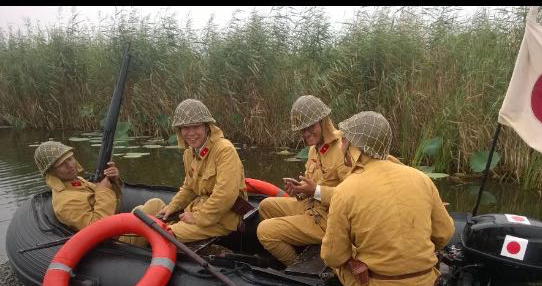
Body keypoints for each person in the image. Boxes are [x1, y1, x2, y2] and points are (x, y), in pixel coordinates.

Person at [320, 111, 456, 286]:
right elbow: (445, 233)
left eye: (344, 140)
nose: (342, 145)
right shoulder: (421, 178)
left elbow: (334, 257)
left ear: (354, 147)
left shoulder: (345, 190)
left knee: (333, 256)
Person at [257, 95, 353, 266]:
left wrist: (315, 191)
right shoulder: (313, 150)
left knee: (265, 231)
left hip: (330, 220)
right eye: (302, 130)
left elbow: (353, 198)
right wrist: (299, 190)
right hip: (311, 207)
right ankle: (300, 247)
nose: (306, 134)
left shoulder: (342, 148)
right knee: (265, 205)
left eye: (310, 127)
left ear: (323, 122)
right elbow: (310, 186)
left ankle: (296, 268)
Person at [34, 140, 164, 247]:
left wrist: (113, 181)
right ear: (51, 172)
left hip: (116, 230)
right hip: (114, 244)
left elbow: (112, 204)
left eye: (70, 158)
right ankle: (170, 244)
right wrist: (103, 192)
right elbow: (97, 230)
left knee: (142, 209)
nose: (70, 165)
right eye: (62, 164)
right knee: (155, 205)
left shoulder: (76, 182)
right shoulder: (65, 202)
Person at [155, 99, 249, 242]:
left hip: (223, 219)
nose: (191, 133)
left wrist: (199, 217)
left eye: (196, 126)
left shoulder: (224, 150)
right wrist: (172, 207)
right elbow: (189, 188)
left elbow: (225, 195)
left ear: (207, 127)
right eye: (185, 128)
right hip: (198, 209)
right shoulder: (189, 153)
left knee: (163, 234)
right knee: (151, 207)